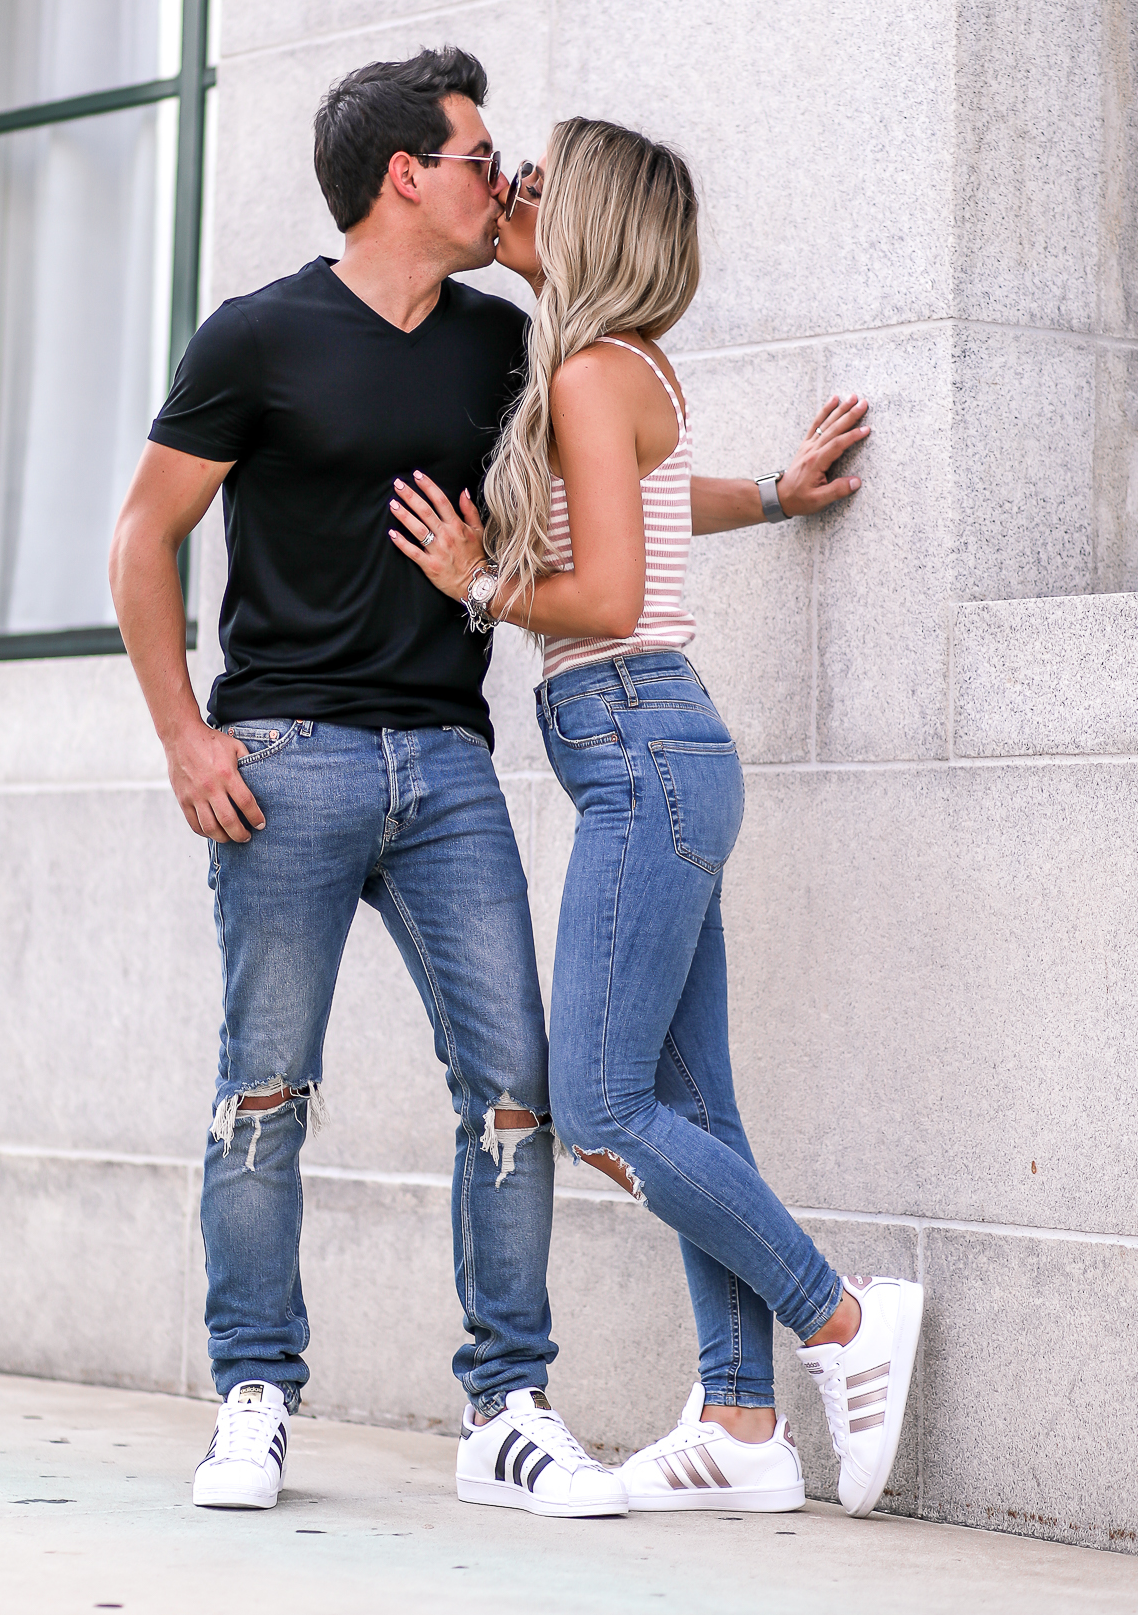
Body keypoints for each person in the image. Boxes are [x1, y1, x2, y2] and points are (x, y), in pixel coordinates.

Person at [109, 50, 625, 1519]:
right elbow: (142, 538)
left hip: (448, 762)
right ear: (406, 172)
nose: (503, 178)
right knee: (265, 1088)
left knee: (515, 1086)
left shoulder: (497, 345)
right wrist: (179, 737)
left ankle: (508, 1405)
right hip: (285, 759)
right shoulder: (256, 335)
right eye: (481, 157)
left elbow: (621, 469)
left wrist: (768, 493)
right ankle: (254, 1390)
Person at [387, 117, 924, 1520]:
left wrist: (476, 581)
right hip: (660, 748)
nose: (509, 190)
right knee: (696, 1104)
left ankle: (841, 1321)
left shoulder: (580, 369)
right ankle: (741, 1419)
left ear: (596, 222)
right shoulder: (618, 367)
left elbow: (610, 595)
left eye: (539, 183)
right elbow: (659, 514)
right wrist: (781, 494)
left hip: (638, 740)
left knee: (607, 1103)